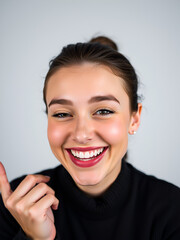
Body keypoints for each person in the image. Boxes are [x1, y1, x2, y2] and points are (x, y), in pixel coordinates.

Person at [0, 36, 180, 240]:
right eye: (62, 114)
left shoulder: (172, 209)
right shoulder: (17, 207)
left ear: (134, 119)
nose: (81, 134)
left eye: (103, 111)